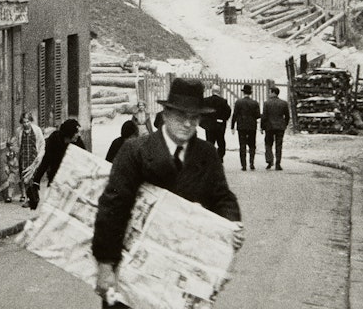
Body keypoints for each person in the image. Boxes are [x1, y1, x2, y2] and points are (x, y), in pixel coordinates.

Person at [92, 78, 244, 304]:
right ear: (166, 114)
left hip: (180, 274)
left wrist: (231, 224)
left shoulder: (207, 154)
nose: (188, 123)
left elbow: (222, 197)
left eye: (194, 117)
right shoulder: (135, 151)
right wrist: (105, 265)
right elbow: (113, 206)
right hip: (131, 271)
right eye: (181, 115)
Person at [32, 118, 84, 193]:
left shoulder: (78, 142)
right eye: (76, 132)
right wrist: (36, 180)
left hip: (71, 179)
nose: (78, 135)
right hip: (55, 178)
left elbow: (85, 159)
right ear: (69, 133)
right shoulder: (54, 139)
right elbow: (45, 160)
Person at [15, 111, 45, 206]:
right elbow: (17, 144)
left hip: (33, 157)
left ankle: (33, 199)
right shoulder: (19, 131)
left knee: (32, 178)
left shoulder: (37, 130)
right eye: (24, 122)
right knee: (25, 179)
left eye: (28, 121)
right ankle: (32, 198)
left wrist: (40, 155)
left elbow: (42, 143)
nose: (26, 124)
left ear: (31, 121)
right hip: (24, 157)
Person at [230, 83, 261, 170]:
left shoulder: (238, 102)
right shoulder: (255, 103)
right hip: (252, 126)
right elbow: (258, 115)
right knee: (252, 145)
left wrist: (232, 126)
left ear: (243, 92)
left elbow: (235, 115)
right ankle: (252, 163)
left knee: (242, 145)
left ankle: (243, 165)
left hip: (241, 126)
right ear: (250, 93)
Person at [261, 85, 291, 170]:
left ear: (273, 93)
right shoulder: (284, 103)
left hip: (269, 126)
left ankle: (269, 161)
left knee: (268, 144)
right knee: (279, 145)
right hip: (280, 127)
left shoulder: (266, 103)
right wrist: (285, 124)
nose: (269, 94)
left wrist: (262, 127)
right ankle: (278, 163)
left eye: (270, 92)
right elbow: (287, 116)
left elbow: (264, 116)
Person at [200, 83, 232, 160]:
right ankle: (220, 156)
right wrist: (224, 119)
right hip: (220, 125)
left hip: (209, 125)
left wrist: (204, 122)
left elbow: (201, 112)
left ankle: (210, 157)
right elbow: (228, 111)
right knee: (221, 141)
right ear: (219, 91)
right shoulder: (223, 101)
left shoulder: (206, 100)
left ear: (212, 91)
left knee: (210, 142)